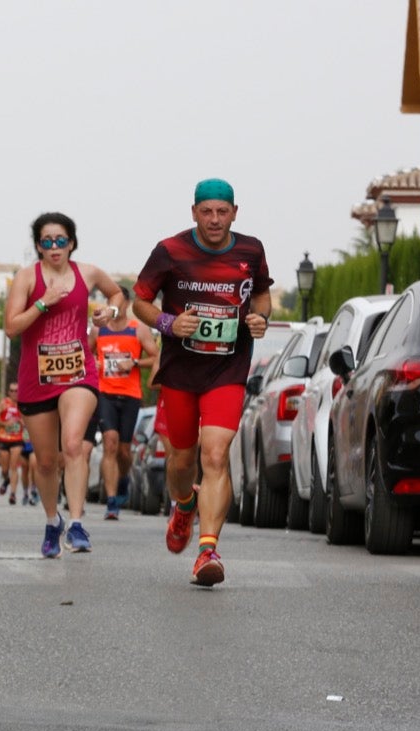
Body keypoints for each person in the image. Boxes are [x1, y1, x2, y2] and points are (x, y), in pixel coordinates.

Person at [132, 178, 272, 586]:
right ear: (194, 212)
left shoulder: (251, 250)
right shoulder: (170, 251)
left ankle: (208, 550)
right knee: (180, 459)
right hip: (180, 370)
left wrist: (259, 318)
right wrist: (168, 323)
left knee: (214, 455)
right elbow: (139, 301)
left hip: (227, 369)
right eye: (206, 211)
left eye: (222, 211)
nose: (214, 219)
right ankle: (184, 503)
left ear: (234, 213)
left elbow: (261, 296)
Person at [4, 212, 128, 557]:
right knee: (45, 461)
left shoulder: (87, 273)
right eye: (47, 241)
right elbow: (12, 327)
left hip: (78, 373)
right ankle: (51, 520)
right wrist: (44, 303)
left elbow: (116, 294)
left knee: (73, 444)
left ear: (72, 243)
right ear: (38, 247)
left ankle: (75, 523)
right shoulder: (26, 279)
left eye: (61, 240)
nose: (55, 247)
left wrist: (110, 313)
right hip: (37, 378)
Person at [93, 287, 159, 519]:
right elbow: (84, 354)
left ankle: (123, 480)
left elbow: (155, 356)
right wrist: (95, 364)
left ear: (127, 303)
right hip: (105, 393)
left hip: (130, 395)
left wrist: (135, 363)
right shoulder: (98, 330)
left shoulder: (138, 329)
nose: (115, 306)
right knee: (109, 443)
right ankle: (112, 502)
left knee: (123, 450)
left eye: (119, 302)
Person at [0, 381, 27, 504]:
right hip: (4, 439)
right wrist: (6, 424)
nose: (14, 393)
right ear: (8, 392)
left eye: (16, 391)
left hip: (17, 439)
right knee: (5, 470)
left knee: (14, 467)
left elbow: (30, 420)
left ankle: (13, 494)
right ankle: (6, 480)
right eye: (12, 390)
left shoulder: (23, 404)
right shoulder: (4, 403)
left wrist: (22, 422)